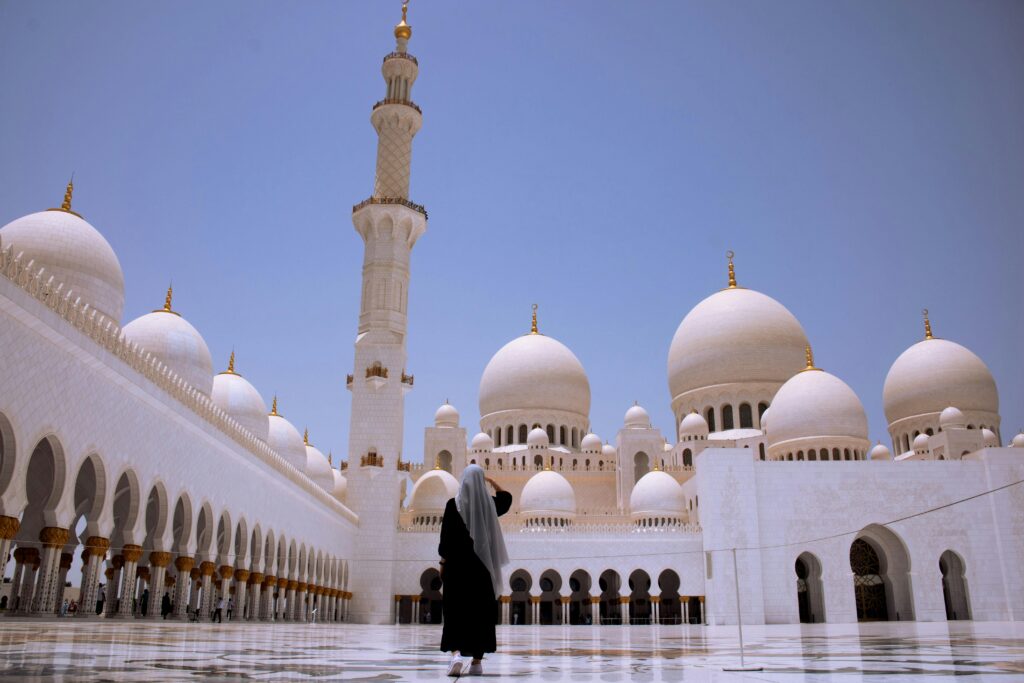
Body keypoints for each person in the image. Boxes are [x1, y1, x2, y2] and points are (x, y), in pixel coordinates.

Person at [438, 464, 511, 677]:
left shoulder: (453, 505)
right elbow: (506, 499)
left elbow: (445, 539)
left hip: (456, 569)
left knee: (454, 611)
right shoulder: (489, 505)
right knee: (481, 614)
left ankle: (456, 655)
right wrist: (491, 482)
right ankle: (477, 662)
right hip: (482, 570)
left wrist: (442, 563)